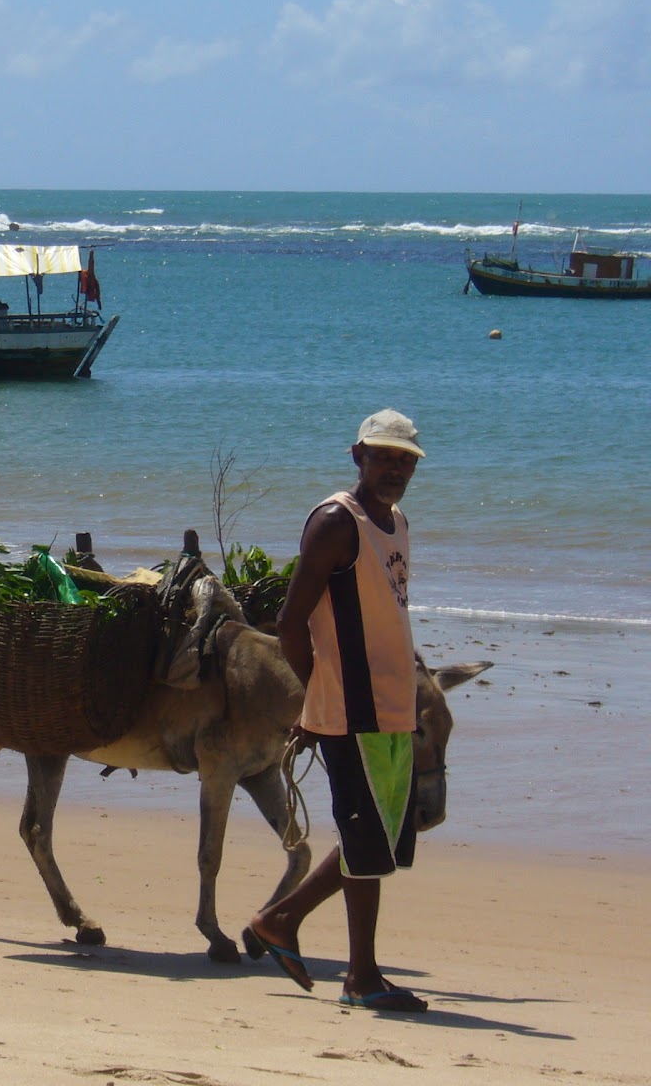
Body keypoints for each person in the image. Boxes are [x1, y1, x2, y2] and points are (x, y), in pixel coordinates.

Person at [249, 408, 431, 1013]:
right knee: (367, 837)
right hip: (352, 712)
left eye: (405, 459)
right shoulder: (335, 522)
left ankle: (287, 923)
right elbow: (290, 621)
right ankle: (359, 975)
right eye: (384, 456)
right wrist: (316, 696)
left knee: (374, 841)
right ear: (357, 456)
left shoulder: (396, 522)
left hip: (391, 706)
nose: (395, 468)